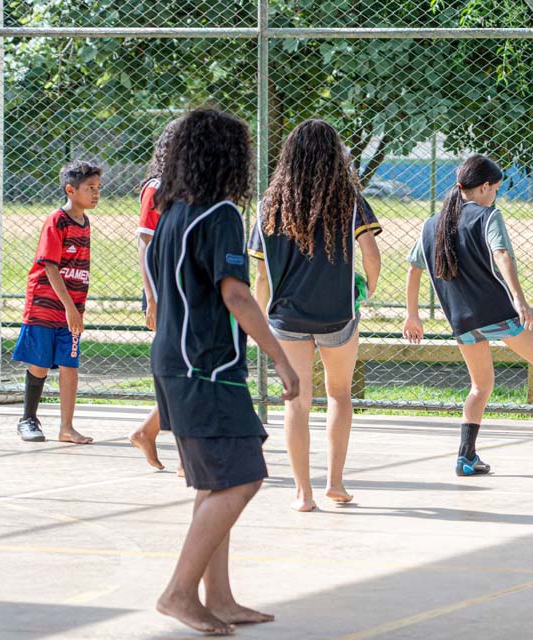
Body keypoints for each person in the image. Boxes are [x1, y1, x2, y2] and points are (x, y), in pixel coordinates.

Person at [146, 108, 299, 635]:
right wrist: (280, 359)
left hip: (175, 363)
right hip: (206, 367)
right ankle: (179, 592)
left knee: (215, 484)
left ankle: (219, 597)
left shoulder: (171, 214)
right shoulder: (221, 215)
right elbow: (235, 293)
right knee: (243, 478)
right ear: (227, 156)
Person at [404, 154, 533, 476]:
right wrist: (521, 301)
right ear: (485, 187)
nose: (495, 195)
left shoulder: (431, 224)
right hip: (498, 313)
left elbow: (413, 270)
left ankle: (466, 457)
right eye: (496, 189)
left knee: (480, 387)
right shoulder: (488, 216)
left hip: (461, 320)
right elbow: (501, 254)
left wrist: (413, 316)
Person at [248, 119, 381, 512]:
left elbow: (260, 275)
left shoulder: (270, 204)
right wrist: (367, 291)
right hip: (338, 315)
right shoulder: (349, 198)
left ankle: (302, 493)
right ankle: (335, 483)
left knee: (296, 402)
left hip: (286, 319)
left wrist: (260, 323)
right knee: (339, 395)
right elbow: (371, 254)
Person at [13, 160, 101, 444]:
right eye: (90, 188)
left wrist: (77, 309)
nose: (96, 193)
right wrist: (68, 307)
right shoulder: (57, 220)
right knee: (39, 363)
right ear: (70, 190)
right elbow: (50, 267)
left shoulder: (85, 223)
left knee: (69, 363)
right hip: (45, 305)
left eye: (98, 188)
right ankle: (28, 418)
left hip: (71, 309)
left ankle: (67, 427)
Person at [129, 118, 182, 470]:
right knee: (180, 369)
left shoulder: (190, 186)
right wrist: (152, 296)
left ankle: (148, 431)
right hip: (164, 291)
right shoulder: (157, 187)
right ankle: (184, 452)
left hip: (185, 288)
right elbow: (144, 241)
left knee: (186, 367)